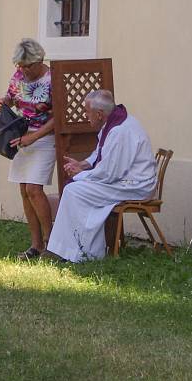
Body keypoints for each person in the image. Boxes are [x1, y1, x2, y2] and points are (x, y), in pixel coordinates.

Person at [46, 89, 157, 263]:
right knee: (74, 190)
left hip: (135, 185)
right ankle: (76, 251)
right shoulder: (113, 123)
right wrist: (83, 164)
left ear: (99, 114)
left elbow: (110, 172)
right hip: (124, 181)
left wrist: (82, 174)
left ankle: (81, 253)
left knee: (74, 191)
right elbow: (100, 153)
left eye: (87, 112)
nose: (85, 115)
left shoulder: (120, 131)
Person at [0, 38, 55, 260]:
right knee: (24, 191)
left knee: (34, 190)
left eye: (27, 65)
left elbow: (59, 117)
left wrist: (35, 136)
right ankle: (35, 245)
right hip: (20, 136)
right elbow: (11, 97)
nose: (23, 70)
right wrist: (3, 102)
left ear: (39, 60)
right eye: (20, 66)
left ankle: (51, 244)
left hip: (44, 139)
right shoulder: (19, 75)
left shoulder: (52, 79)